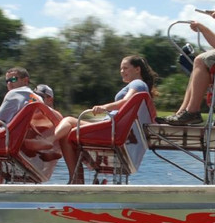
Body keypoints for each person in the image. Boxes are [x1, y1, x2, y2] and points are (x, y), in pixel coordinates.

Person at [54, 55, 157, 183]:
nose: (122, 71)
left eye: (125, 68)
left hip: (112, 129)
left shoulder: (137, 83)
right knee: (68, 134)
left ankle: (49, 143)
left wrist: (104, 107)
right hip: (114, 128)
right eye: (121, 69)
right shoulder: (142, 86)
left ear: (137, 69)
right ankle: (76, 179)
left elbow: (126, 101)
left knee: (68, 121)